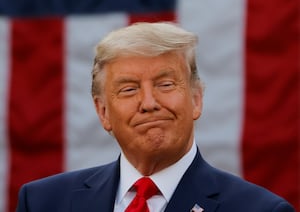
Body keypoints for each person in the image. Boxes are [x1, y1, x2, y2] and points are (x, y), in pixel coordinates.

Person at [16, 22, 295, 212]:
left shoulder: (259, 209)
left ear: (196, 99)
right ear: (103, 112)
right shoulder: (43, 202)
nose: (149, 103)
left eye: (165, 84)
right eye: (129, 89)